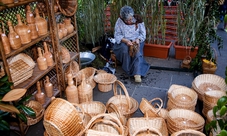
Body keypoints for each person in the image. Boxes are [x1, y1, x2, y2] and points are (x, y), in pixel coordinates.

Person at [113, 5, 150, 83]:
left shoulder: (138, 20)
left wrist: (138, 39)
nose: (129, 22)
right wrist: (126, 41)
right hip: (124, 41)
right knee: (124, 49)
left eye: (130, 19)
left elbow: (143, 34)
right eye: (126, 20)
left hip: (137, 40)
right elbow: (117, 35)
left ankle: (137, 73)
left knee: (137, 50)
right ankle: (128, 69)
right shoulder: (119, 21)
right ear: (122, 18)